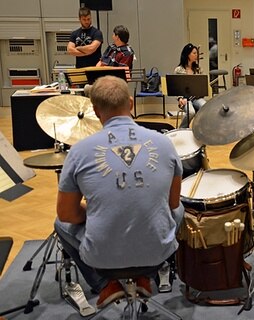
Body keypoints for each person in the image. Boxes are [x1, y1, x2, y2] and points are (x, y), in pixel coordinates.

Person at [54, 75, 184, 309]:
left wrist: (100, 212)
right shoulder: (164, 143)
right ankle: (147, 275)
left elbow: (67, 215)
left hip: (102, 256)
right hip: (158, 250)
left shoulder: (79, 151)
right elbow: (172, 203)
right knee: (180, 209)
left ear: (94, 110)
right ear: (131, 104)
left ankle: (105, 283)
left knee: (59, 224)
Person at [174, 43, 207, 128]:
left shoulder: (198, 69)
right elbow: (176, 87)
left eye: (197, 53)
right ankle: (182, 129)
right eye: (194, 53)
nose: (196, 55)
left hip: (197, 97)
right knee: (191, 112)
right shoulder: (179, 70)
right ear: (187, 55)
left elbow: (202, 85)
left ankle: (200, 129)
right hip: (185, 99)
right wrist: (180, 98)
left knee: (205, 107)